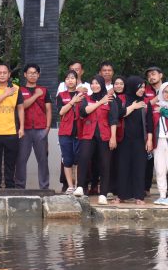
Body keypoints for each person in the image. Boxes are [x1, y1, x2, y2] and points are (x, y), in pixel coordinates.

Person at [75, 75, 118, 205]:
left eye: (97, 83)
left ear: (102, 84)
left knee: (105, 164)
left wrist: (113, 137)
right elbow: (84, 112)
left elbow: (113, 119)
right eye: (92, 83)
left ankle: (103, 194)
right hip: (88, 134)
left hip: (105, 135)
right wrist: (100, 102)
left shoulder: (111, 100)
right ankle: (81, 186)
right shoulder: (86, 99)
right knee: (83, 158)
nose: (94, 85)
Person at [114, 76, 150, 205]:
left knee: (139, 167)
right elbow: (118, 114)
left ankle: (139, 196)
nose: (142, 90)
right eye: (140, 87)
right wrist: (133, 106)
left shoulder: (146, 101)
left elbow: (149, 123)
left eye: (144, 87)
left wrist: (149, 140)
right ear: (133, 86)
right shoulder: (121, 99)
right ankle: (121, 195)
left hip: (140, 140)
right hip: (123, 139)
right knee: (123, 167)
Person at [16, 63, 52, 190]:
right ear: (25, 75)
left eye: (35, 73)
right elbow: (22, 106)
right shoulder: (19, 90)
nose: (32, 75)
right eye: (30, 73)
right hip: (24, 130)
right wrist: (36, 95)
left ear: (38, 75)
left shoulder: (45, 90)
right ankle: (20, 187)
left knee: (43, 160)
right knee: (21, 160)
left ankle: (44, 187)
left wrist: (47, 128)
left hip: (41, 129)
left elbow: (48, 109)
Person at [56, 70, 84, 194]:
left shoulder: (83, 95)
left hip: (80, 132)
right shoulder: (61, 95)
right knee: (67, 160)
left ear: (77, 80)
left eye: (73, 78)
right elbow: (61, 112)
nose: (70, 80)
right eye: (67, 78)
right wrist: (73, 101)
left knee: (78, 160)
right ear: (65, 81)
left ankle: (78, 185)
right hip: (65, 132)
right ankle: (70, 186)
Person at [143, 66, 165, 194]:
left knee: (167, 161)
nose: (151, 77)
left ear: (161, 75)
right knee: (149, 158)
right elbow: (145, 106)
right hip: (150, 128)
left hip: (167, 129)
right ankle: (146, 188)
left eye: (153, 74)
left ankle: (167, 190)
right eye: (149, 76)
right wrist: (157, 97)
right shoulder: (145, 91)